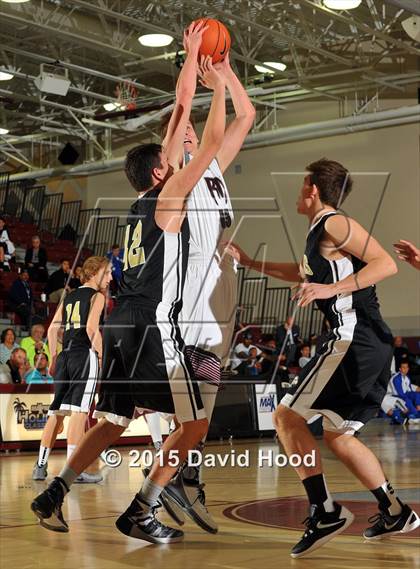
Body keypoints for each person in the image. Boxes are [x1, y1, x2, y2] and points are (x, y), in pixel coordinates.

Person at [31, 50, 226, 544]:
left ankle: (55, 490)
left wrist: (189, 67)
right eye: (170, 159)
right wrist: (219, 84)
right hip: (152, 326)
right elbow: (211, 140)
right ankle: (144, 506)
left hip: (122, 321)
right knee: (196, 422)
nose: (177, 155)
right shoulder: (171, 194)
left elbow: (180, 110)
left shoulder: (137, 205)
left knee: (114, 419)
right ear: (162, 172)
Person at [225, 158, 419, 557]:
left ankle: (325, 510)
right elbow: (301, 275)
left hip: (354, 337)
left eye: (301, 186)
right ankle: (395, 510)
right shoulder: (319, 235)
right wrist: (249, 263)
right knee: (339, 436)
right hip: (367, 342)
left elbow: (384, 263)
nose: (299, 192)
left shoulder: (335, 223)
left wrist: (332, 291)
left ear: (313, 189)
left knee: (285, 417)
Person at [155, 32, 254, 530]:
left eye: (195, 133)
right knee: (186, 405)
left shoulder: (213, 166)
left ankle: (186, 477)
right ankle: (175, 480)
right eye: (184, 135)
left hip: (211, 293)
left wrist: (227, 69)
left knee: (205, 399)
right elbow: (182, 104)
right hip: (184, 296)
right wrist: (195, 59)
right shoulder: (178, 167)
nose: (190, 134)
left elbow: (247, 116)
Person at [31, 256, 112, 484]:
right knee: (79, 413)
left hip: (65, 356)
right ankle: (72, 471)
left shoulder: (69, 296)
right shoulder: (97, 296)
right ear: (94, 273)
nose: (110, 277)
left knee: (56, 412)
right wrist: (104, 356)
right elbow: (91, 329)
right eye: (107, 273)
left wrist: (55, 356)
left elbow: (53, 328)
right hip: (83, 356)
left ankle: (40, 465)